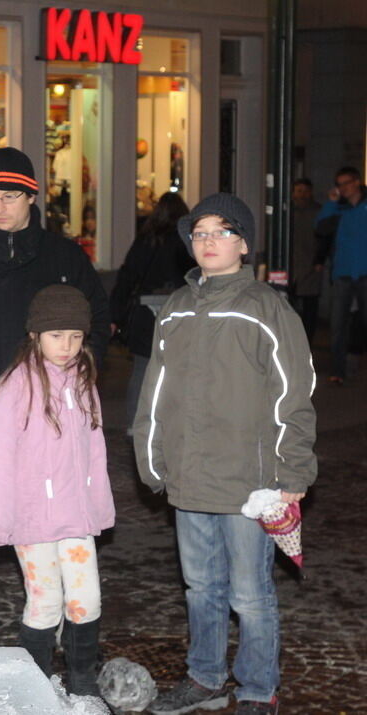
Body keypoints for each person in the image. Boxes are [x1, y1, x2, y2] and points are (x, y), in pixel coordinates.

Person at [134, 194, 316, 715]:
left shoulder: (265, 308)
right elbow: (155, 390)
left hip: (247, 483)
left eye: (222, 231)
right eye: (200, 233)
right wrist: (151, 457)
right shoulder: (176, 308)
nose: (209, 241)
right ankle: (206, 676)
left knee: (250, 594)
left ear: (243, 243)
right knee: (200, 588)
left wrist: (293, 470)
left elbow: (293, 394)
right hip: (189, 477)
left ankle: (259, 689)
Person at [0, 284, 114, 699]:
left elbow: (95, 451)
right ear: (35, 336)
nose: (67, 346)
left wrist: (99, 506)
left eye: (76, 336)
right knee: (45, 602)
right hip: (32, 519)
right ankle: (36, 685)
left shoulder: (82, 382)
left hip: (75, 516)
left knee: (86, 600)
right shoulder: (14, 388)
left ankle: (82, 682)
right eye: (57, 336)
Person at [0, 147, 111, 412]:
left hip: (45, 402)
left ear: (31, 197)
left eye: (9, 197)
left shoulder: (64, 256)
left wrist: (75, 375)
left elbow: (97, 321)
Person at [109, 191, 194, 431]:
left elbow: (127, 277)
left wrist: (114, 315)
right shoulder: (185, 242)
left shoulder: (146, 240)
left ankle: (136, 425)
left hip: (146, 317)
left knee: (142, 369)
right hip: (180, 314)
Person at [317, 166, 367, 384]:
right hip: (343, 274)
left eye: (346, 183)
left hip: (365, 273)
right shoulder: (339, 208)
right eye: (339, 184)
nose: (343, 188)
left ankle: (354, 360)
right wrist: (331, 203)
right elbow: (321, 229)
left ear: (357, 182)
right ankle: (338, 371)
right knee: (337, 325)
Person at [289, 178, 324, 343]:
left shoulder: (319, 212)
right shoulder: (287, 211)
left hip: (311, 265)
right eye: (299, 191)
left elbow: (326, 238)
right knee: (289, 305)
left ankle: (308, 342)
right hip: (291, 266)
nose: (302, 195)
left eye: (305, 191)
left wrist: (320, 260)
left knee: (310, 308)